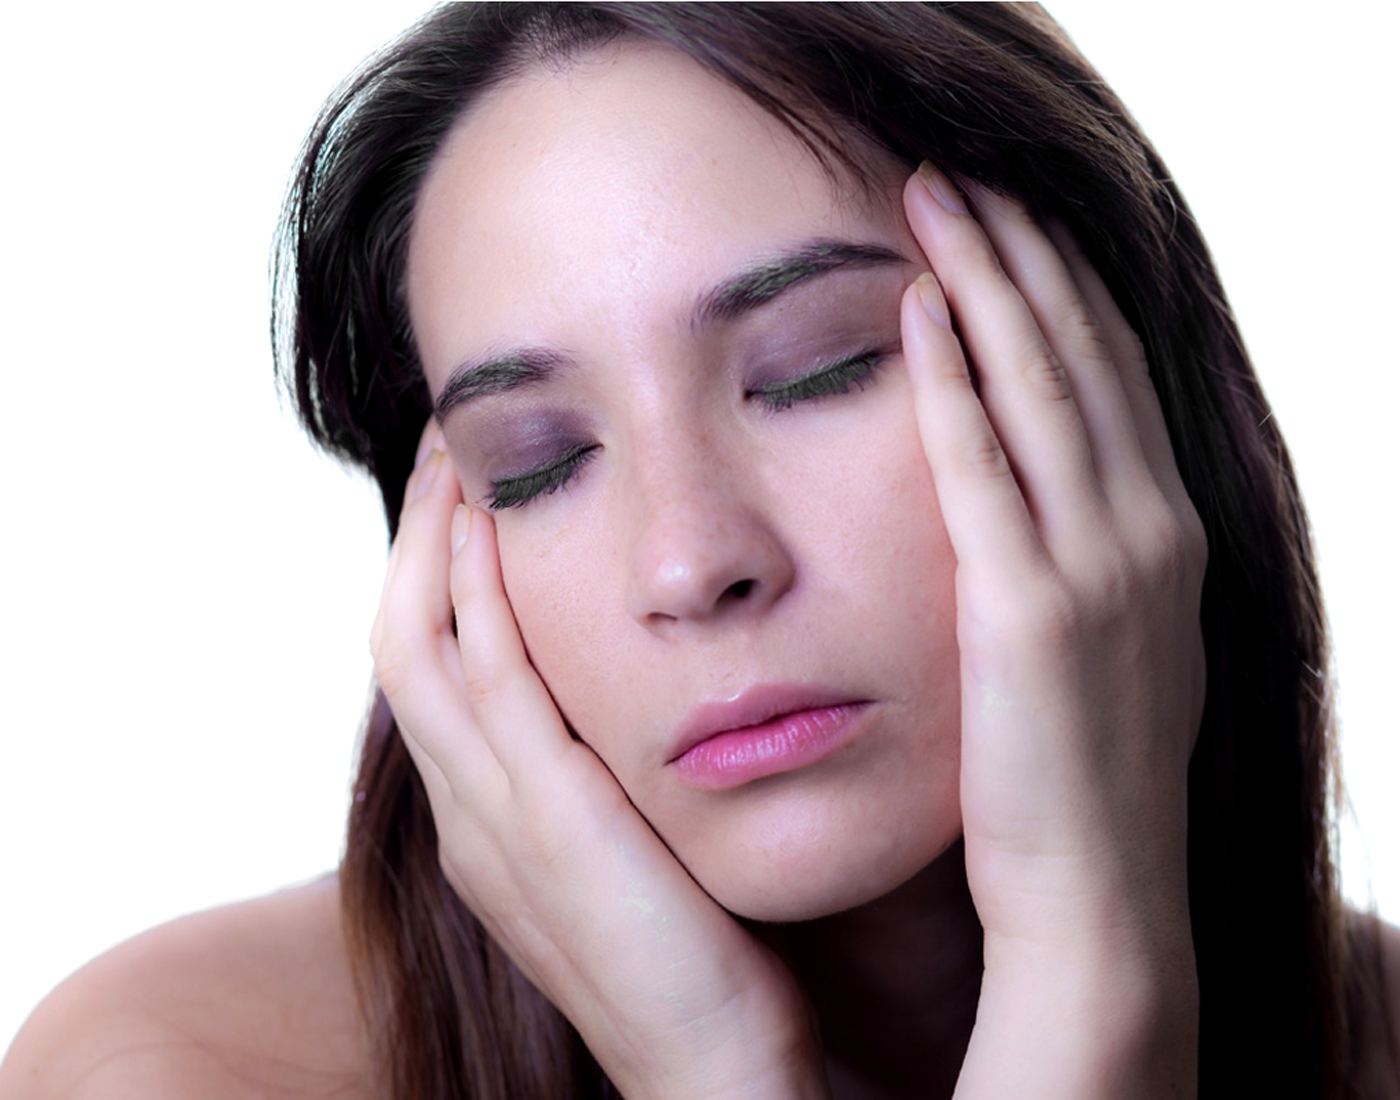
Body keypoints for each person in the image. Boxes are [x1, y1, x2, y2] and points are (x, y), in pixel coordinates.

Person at [2, 4, 1397, 1098]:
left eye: (816, 370)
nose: (689, 563)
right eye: (536, 461)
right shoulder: (176, 1064)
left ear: (1108, 379)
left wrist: (1093, 980)